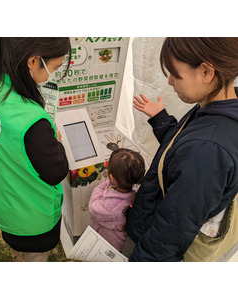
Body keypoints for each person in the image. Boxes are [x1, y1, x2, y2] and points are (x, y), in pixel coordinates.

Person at [126, 37, 238, 261]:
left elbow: (168, 236)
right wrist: (160, 120)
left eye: (175, 74)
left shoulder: (208, 150)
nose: (169, 82)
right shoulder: (218, 108)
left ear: (207, 72)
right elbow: (181, 149)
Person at [0, 38, 71, 261]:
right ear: (33, 61)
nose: (52, 75)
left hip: (1, 203)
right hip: (34, 220)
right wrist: (56, 141)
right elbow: (56, 172)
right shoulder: (31, 119)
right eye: (55, 68)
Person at [89, 148, 145, 251]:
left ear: (112, 178)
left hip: (107, 246)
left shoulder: (109, 208)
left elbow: (93, 205)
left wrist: (103, 186)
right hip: (121, 244)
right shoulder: (137, 191)